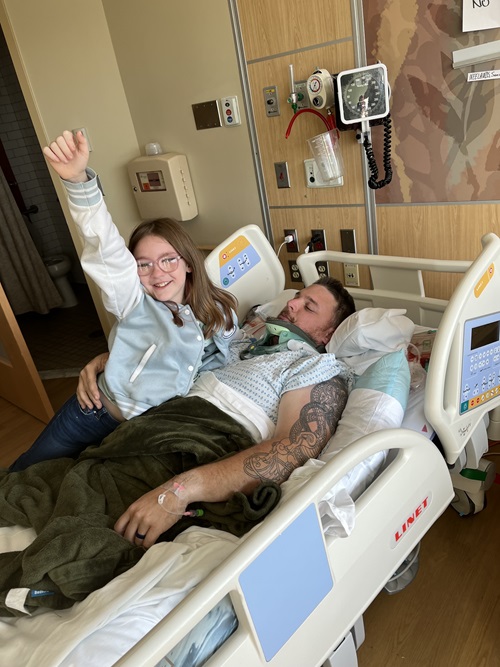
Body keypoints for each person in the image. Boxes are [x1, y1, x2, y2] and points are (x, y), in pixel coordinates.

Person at [0, 276, 356, 615]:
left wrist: (177, 492)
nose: (292, 304)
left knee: (82, 545)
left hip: (198, 443)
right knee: (36, 484)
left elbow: (291, 447)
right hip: (149, 429)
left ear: (327, 333)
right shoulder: (238, 343)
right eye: (296, 296)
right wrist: (110, 361)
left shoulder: (315, 366)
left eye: (309, 306)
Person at [10, 130, 238, 471]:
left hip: (143, 431)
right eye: (143, 264)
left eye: (168, 260)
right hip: (93, 412)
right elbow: (106, 246)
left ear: (189, 263)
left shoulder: (219, 311)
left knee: (78, 481)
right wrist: (78, 182)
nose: (157, 273)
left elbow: (221, 359)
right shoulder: (133, 300)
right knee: (28, 470)